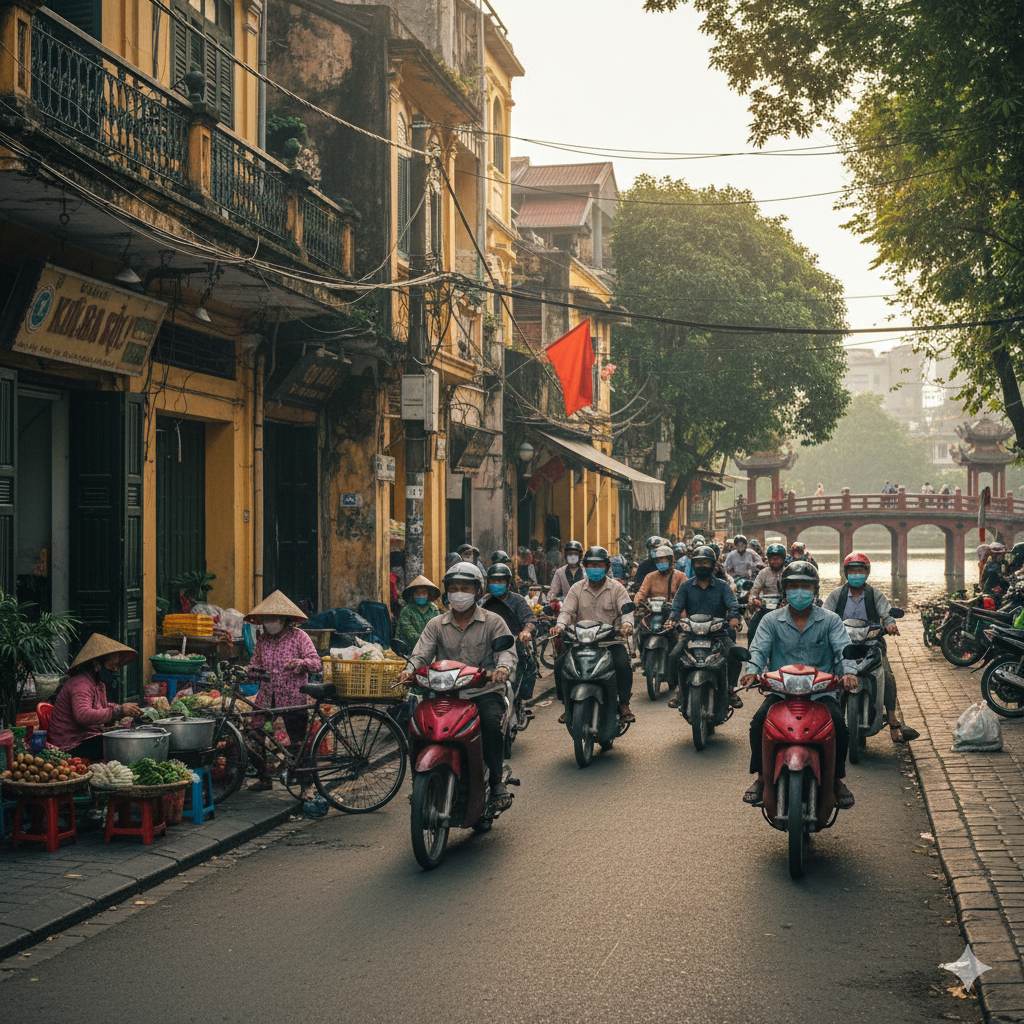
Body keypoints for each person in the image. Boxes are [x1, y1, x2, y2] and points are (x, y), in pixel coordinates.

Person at [398, 562, 518, 809]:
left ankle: (496, 783)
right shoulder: (435, 625)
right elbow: (421, 653)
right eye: (454, 588)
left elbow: (506, 651)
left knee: (491, 724)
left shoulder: (494, 622)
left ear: (477, 590)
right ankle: (420, 785)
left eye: (465, 587)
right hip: (445, 695)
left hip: (483, 692)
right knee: (418, 726)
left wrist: (502, 669)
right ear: (447, 593)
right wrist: (408, 670)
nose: (459, 593)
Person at [739, 561, 858, 809]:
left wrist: (848, 674)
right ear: (785, 590)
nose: (800, 591)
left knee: (840, 727)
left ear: (814, 590)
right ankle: (761, 777)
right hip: (782, 695)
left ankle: (836, 779)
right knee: (759, 723)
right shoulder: (771, 620)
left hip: (821, 694)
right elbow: (758, 650)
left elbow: (842, 652)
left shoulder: (831, 620)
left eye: (805, 586)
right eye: (794, 586)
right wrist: (752, 672)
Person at [822, 553, 920, 743]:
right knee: (828, 674)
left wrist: (890, 624)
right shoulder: (836, 595)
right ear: (846, 573)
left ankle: (892, 720)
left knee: (887, 675)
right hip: (844, 645)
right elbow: (825, 614)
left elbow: (887, 614)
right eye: (852, 571)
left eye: (860, 571)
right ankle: (829, 719)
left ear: (867, 573)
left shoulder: (875, 594)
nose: (856, 574)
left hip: (871, 644)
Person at [244, 591, 323, 801]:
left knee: (298, 743)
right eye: (265, 619)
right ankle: (264, 776)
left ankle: (307, 786)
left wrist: (300, 664)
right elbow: (256, 664)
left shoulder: (300, 637)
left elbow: (316, 663)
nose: (268, 623)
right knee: (252, 734)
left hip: (292, 697)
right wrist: (248, 671)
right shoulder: (263, 640)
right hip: (266, 696)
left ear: (284, 619)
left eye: (272, 619)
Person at [551, 546, 635, 724]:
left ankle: (624, 704)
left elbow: (626, 609)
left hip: (610, 643)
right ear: (585, 566)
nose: (595, 568)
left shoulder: (617, 588)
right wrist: (560, 625)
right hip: (581, 644)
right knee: (560, 667)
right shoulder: (576, 589)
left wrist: (627, 623)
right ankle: (567, 705)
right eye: (591, 564)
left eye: (599, 564)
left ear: (606, 566)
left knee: (623, 665)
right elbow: (566, 610)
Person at [665, 545, 742, 708]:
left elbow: (733, 605)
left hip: (718, 633)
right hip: (691, 634)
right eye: (698, 562)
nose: (702, 566)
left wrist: (734, 617)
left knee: (734, 655)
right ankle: (679, 689)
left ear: (713, 565)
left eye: (706, 563)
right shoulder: (686, 587)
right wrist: (672, 619)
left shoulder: (723, 586)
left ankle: (730, 689)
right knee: (673, 656)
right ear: (693, 565)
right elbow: (676, 607)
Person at [47, 634, 143, 759]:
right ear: (97, 664)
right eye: (112, 665)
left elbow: (100, 707)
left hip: (86, 737)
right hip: (70, 745)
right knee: (120, 745)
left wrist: (121, 709)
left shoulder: (97, 684)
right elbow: (82, 715)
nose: (115, 670)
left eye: (117, 666)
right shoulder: (81, 684)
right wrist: (118, 711)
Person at [481, 562, 538, 703]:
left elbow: (529, 620)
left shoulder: (517, 600)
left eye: (500, 581)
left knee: (528, 665)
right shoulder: (483, 602)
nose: (497, 584)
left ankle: (518, 701)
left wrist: (526, 631)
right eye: (494, 581)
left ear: (508, 583)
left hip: (513, 645)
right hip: (487, 647)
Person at [746, 542, 788, 642]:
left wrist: (785, 602)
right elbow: (755, 590)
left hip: (785, 608)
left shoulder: (788, 573)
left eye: (777, 558)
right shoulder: (763, 573)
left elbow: (792, 591)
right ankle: (753, 655)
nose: (774, 561)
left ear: (782, 559)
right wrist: (754, 600)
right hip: (765, 608)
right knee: (752, 630)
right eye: (772, 559)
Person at [394, 574, 442, 649]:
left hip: (431, 647)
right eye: (417, 593)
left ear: (428, 594)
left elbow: (438, 628)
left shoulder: (433, 608)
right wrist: (429, 641)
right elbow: (410, 634)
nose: (420, 595)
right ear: (412, 595)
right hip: (409, 649)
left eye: (423, 592)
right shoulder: (407, 610)